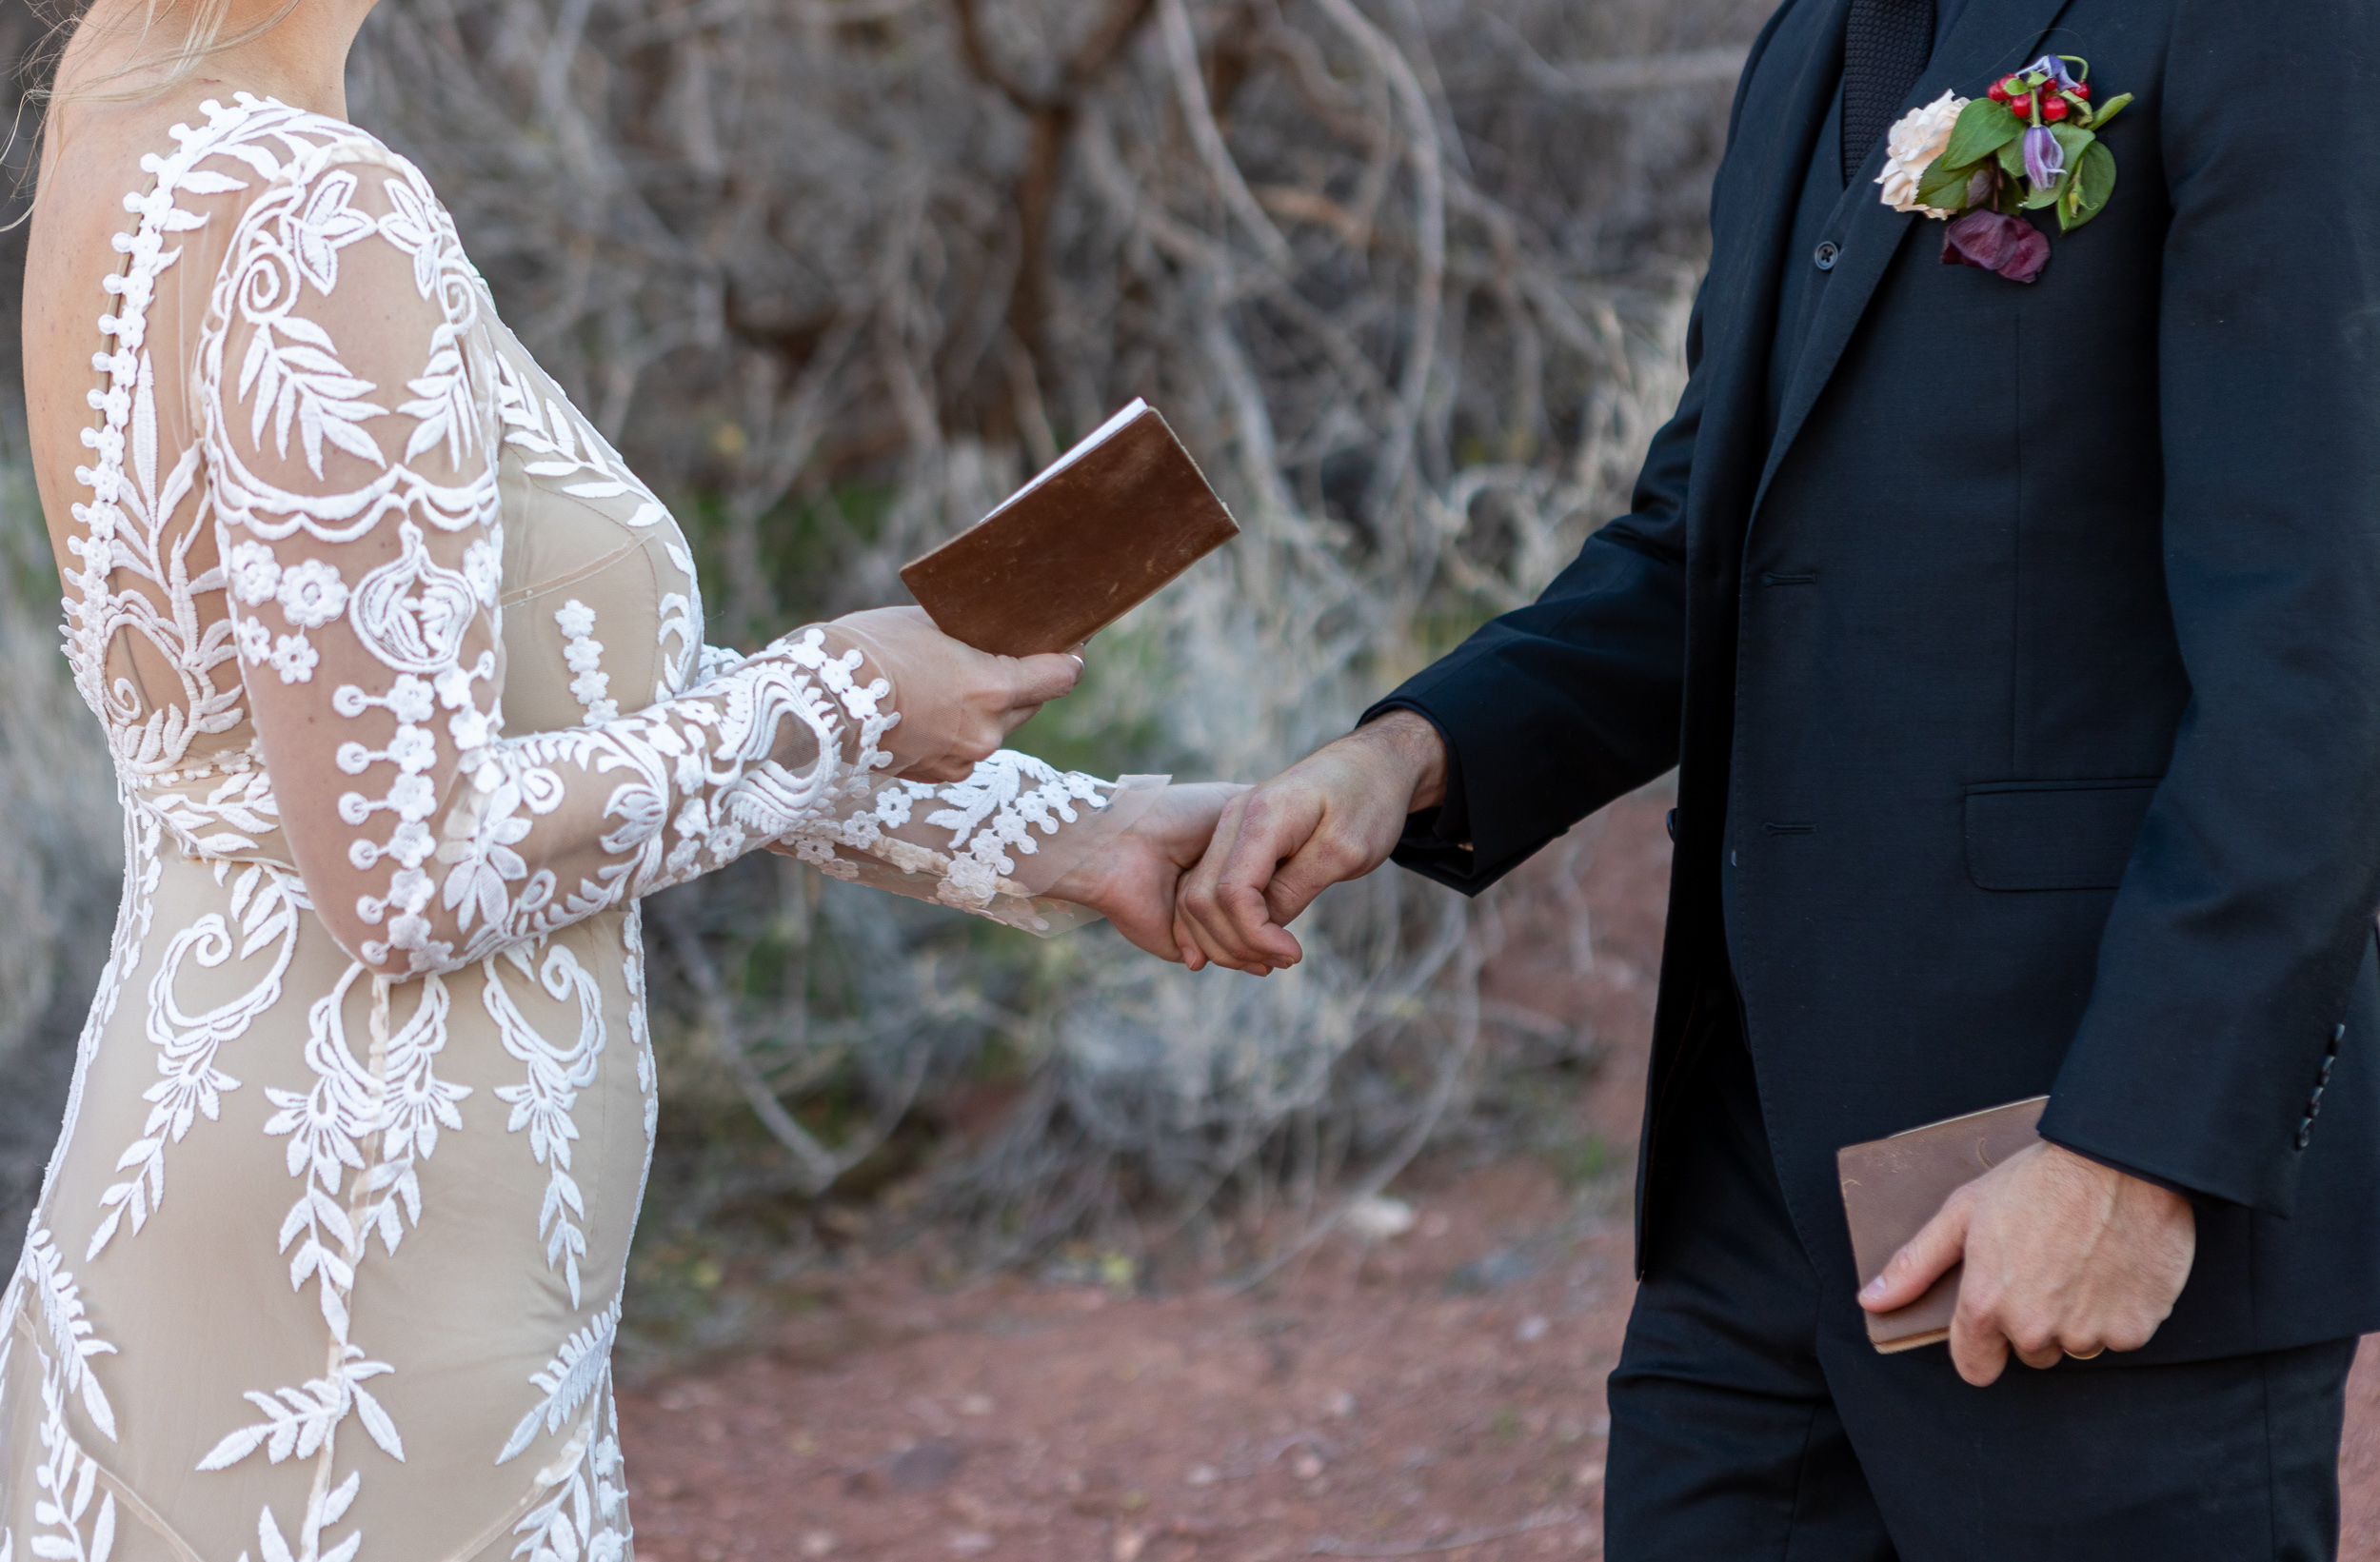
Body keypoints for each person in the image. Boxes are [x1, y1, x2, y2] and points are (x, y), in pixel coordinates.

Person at [0, 0, 1228, 1552]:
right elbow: (412, 860)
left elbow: (516, 715)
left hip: (243, 1203)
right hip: (361, 1294)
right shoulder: (318, 208)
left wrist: (1063, 831)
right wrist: (845, 689)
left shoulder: (119, 108)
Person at [1176, 0, 2380, 1557]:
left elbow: (2327, 647)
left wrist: (2135, 1154)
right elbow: (1707, 538)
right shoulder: (1815, 41)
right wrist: (1398, 756)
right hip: (1758, 1198)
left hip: (2067, 1170)